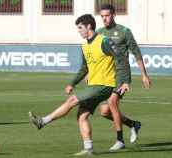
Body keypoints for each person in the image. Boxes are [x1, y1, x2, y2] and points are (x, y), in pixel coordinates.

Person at [29, 14, 130, 156]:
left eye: (80, 27)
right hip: (94, 85)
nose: (79, 31)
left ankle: (43, 121)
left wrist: (125, 81)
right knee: (82, 116)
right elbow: (84, 68)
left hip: (105, 84)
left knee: (72, 100)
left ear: (89, 26)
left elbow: (121, 58)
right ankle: (88, 149)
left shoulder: (104, 41)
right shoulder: (84, 46)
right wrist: (72, 83)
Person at [96, 4, 151, 150]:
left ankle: (120, 140)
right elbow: (96, 56)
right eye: (102, 16)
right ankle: (133, 124)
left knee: (113, 102)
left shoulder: (124, 31)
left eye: (107, 16)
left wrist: (144, 75)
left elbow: (136, 52)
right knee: (104, 111)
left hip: (122, 73)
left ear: (113, 15)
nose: (104, 19)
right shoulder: (99, 33)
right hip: (106, 76)